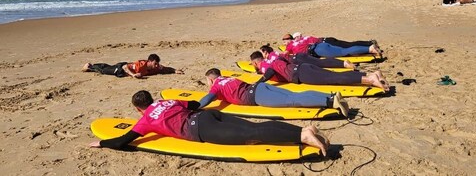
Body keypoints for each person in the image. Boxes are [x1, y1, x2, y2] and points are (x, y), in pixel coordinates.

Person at [89, 90, 330, 156]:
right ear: (152, 99)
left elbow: (124, 141)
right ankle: (303, 129)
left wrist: (102, 142)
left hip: (202, 129)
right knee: (253, 124)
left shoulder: (145, 121)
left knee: (251, 134)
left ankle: (302, 137)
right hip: (207, 116)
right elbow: (194, 104)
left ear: (137, 109)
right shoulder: (169, 101)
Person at [201, 68, 349, 117]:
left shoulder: (216, 86)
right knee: (294, 94)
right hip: (260, 87)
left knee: (291, 100)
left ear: (210, 79)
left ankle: (331, 102)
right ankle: (331, 95)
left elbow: (208, 98)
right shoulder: (228, 78)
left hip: (257, 96)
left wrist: (194, 106)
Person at [250, 51, 389, 91]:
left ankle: (370, 80)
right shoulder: (273, 58)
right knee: (334, 75)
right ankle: (370, 75)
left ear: (256, 62)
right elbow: (285, 60)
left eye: (253, 64)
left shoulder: (263, 66)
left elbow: (269, 72)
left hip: (302, 74)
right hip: (303, 67)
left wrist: (259, 83)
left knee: (334, 79)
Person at [259, 44, 355, 74]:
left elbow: (277, 63)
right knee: (320, 63)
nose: (262, 55)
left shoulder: (272, 55)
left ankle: (344, 64)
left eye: (262, 53)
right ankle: (343, 64)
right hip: (298, 57)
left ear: (265, 52)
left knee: (320, 64)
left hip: (297, 60)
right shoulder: (274, 53)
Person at [82, 53, 184, 78]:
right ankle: (90, 66)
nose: (157, 65)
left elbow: (166, 69)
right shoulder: (140, 65)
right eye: (155, 63)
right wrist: (133, 75)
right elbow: (125, 67)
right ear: (150, 61)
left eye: (157, 63)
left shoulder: (156, 67)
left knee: (107, 67)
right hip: (121, 68)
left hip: (126, 70)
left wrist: (175, 71)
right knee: (106, 70)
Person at [281, 33, 381, 58]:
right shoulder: (301, 39)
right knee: (346, 47)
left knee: (344, 51)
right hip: (321, 44)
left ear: (289, 40)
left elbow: (284, 54)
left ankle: (370, 48)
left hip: (317, 50)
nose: (284, 44)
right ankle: (368, 46)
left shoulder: (290, 45)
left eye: (284, 41)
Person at [291, 32, 376, 48]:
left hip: (328, 42)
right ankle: (369, 43)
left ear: (298, 37)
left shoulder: (303, 40)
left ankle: (369, 44)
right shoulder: (307, 37)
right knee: (349, 44)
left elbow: (297, 43)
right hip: (328, 39)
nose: (295, 39)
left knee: (349, 45)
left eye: (295, 38)